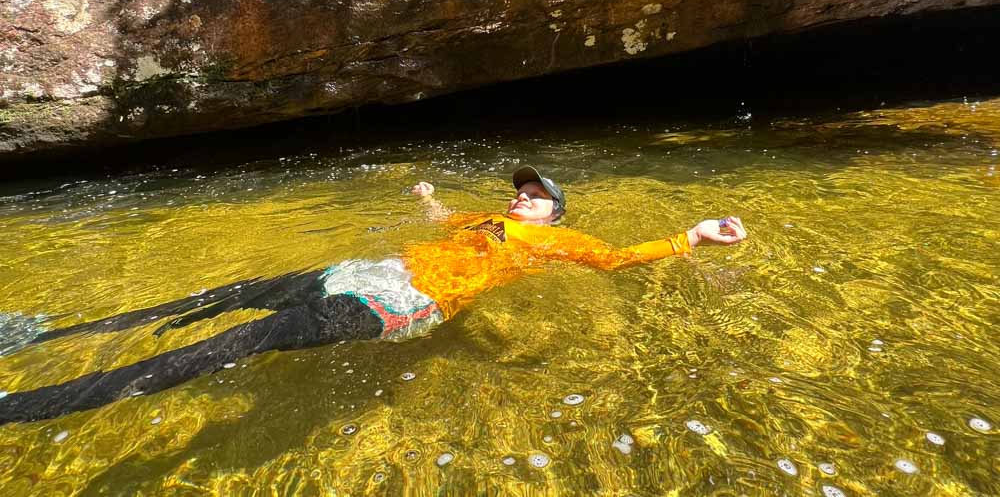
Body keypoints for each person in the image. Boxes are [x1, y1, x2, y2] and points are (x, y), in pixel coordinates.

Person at [0, 166, 746, 424]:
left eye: (537, 195)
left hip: (397, 306)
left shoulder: (562, 242)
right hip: (358, 273)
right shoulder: (487, 218)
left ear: (557, 213)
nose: (524, 198)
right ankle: (43, 336)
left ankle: (26, 408)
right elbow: (439, 219)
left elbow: (616, 261)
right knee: (215, 297)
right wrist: (426, 199)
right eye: (521, 191)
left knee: (225, 348)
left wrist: (689, 237)